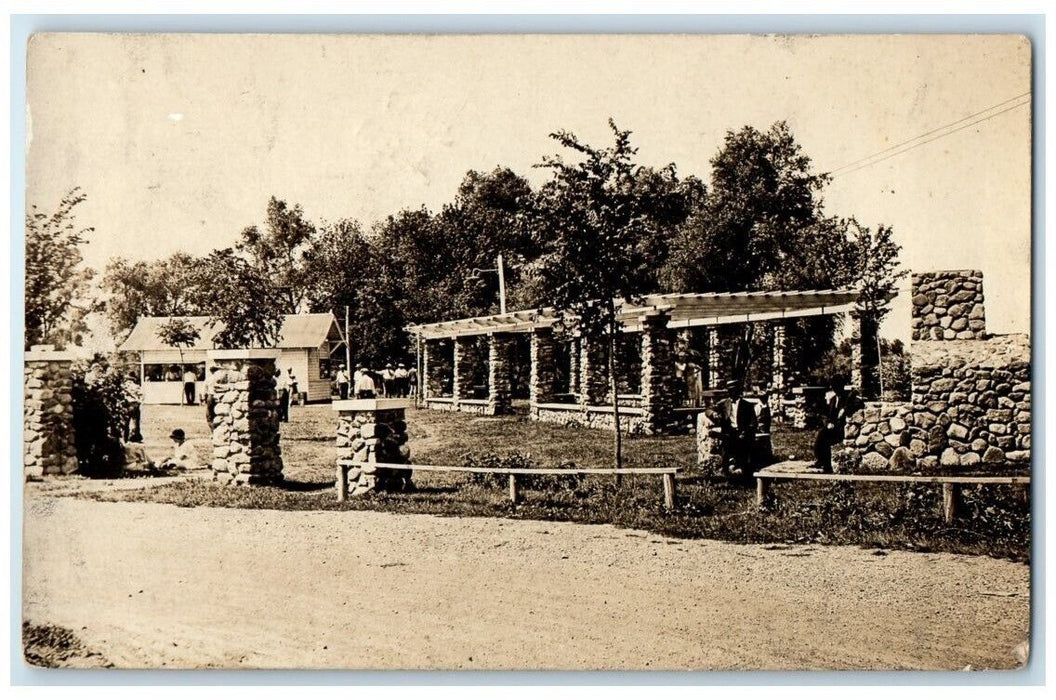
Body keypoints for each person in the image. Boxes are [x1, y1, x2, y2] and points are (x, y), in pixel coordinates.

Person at [813, 383, 851, 474]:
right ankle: (821, 460)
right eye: (835, 388)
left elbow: (856, 402)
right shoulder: (833, 399)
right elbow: (829, 415)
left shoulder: (848, 398)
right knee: (821, 435)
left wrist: (845, 409)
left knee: (825, 439)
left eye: (838, 388)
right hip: (833, 427)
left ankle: (826, 466)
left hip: (843, 428)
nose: (836, 391)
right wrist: (829, 423)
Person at [122, 372, 143, 442]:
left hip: (126, 405)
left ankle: (125, 437)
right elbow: (142, 396)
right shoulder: (136, 386)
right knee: (136, 421)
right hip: (135, 404)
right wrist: (139, 402)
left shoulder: (123, 387)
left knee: (126, 422)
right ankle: (135, 437)